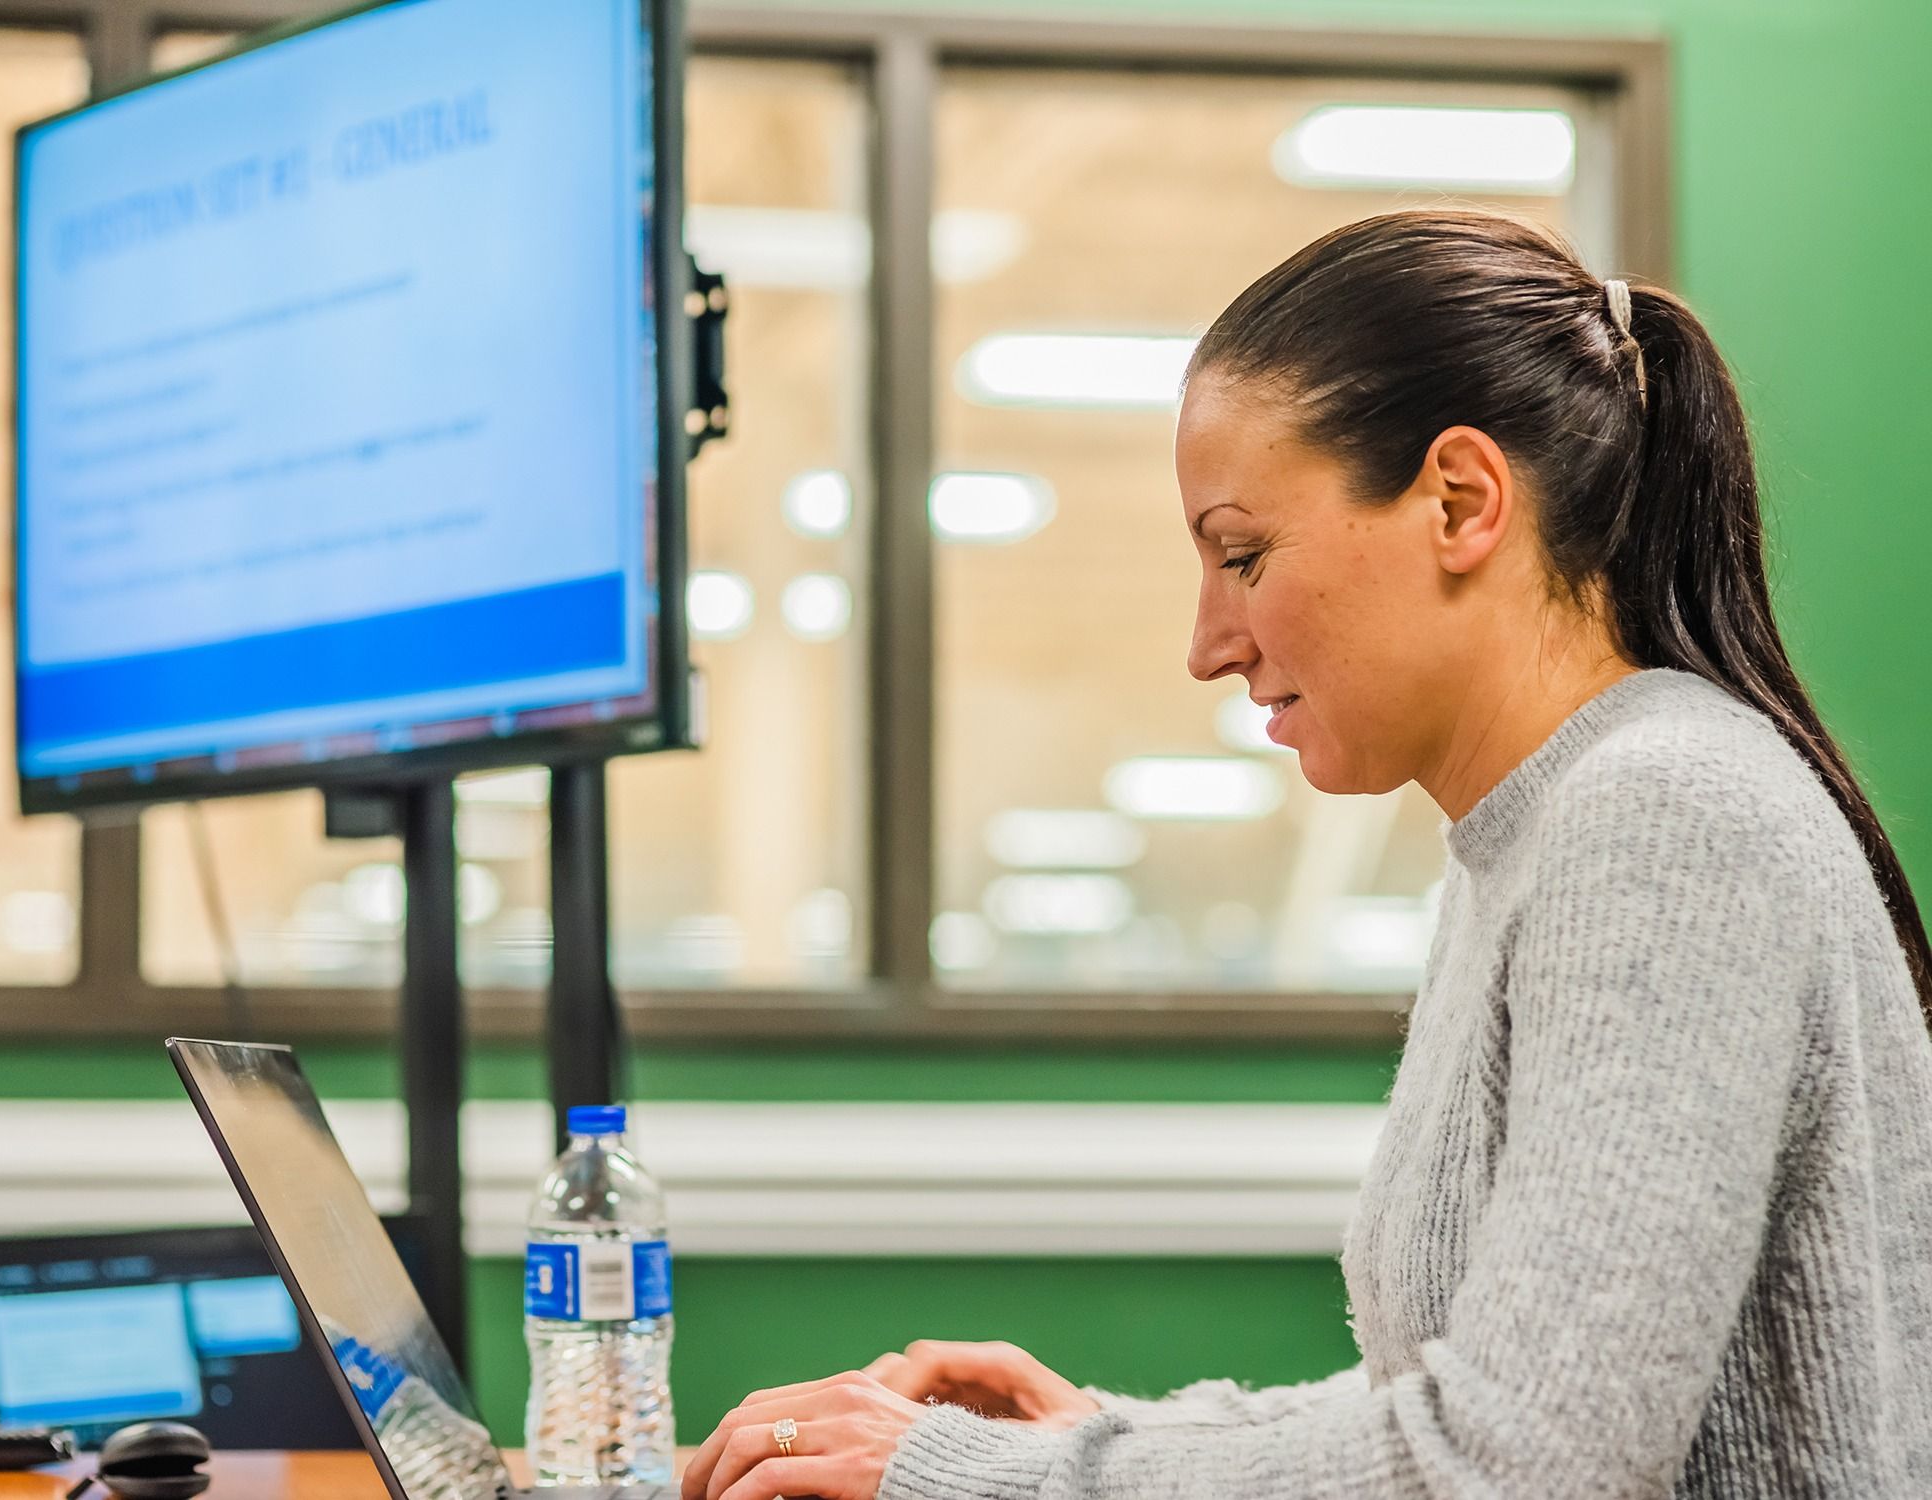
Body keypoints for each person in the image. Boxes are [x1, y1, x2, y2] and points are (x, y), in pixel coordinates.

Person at [678, 210, 1932, 1499]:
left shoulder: (1662, 816)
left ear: (1460, 500)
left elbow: (1526, 1461)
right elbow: (1472, 1389)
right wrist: (1103, 1440)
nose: (1209, 642)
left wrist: (988, 1479)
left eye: (1245, 554)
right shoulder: (1536, 829)